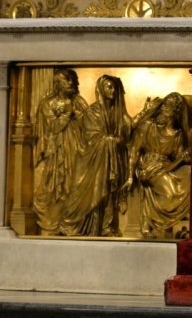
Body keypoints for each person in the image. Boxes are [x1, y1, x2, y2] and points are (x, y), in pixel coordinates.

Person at [61, 74, 133, 237]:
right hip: (91, 161)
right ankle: (73, 224)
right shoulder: (92, 112)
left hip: (110, 160)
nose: (112, 90)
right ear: (101, 89)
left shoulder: (117, 112)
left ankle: (106, 227)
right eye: (108, 86)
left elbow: (129, 129)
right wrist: (113, 141)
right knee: (89, 194)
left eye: (114, 87)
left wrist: (145, 113)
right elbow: (92, 138)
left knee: (108, 193)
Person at [126, 92, 191, 239]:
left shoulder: (177, 134)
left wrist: (184, 157)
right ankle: (157, 221)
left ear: (176, 111)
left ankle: (166, 222)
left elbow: (177, 158)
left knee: (189, 172)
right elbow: (134, 151)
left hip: (166, 167)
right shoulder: (148, 126)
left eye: (168, 106)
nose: (163, 108)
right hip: (149, 166)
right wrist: (130, 175)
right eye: (164, 104)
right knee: (169, 193)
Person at [32, 67, 88, 235]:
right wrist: (68, 113)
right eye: (66, 80)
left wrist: (79, 117)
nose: (70, 83)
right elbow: (53, 127)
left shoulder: (80, 102)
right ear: (57, 84)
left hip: (77, 148)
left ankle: (71, 224)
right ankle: (53, 223)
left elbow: (89, 125)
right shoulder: (48, 103)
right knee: (56, 185)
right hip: (56, 151)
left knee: (75, 184)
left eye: (72, 80)